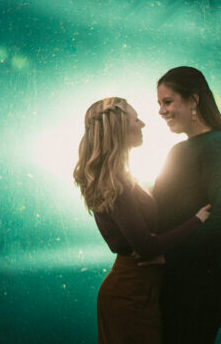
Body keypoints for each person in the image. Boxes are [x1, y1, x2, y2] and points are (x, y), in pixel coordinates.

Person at [74, 97, 211, 344]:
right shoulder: (116, 184)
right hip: (131, 293)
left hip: (138, 289)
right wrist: (198, 220)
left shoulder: (123, 178)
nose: (143, 124)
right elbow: (146, 247)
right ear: (118, 128)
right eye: (135, 119)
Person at [153, 66, 221, 344]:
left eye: (168, 102)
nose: (161, 111)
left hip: (204, 282)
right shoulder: (177, 151)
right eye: (159, 104)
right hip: (176, 279)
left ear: (194, 100)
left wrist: (166, 256)